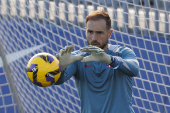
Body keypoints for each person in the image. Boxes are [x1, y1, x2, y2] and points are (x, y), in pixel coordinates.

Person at [54, 10, 139, 113]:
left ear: (109, 33)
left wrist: (109, 60)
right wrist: (60, 69)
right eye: (90, 32)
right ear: (85, 31)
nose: (94, 38)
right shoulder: (77, 58)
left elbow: (135, 69)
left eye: (99, 33)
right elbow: (58, 81)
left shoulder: (121, 53)